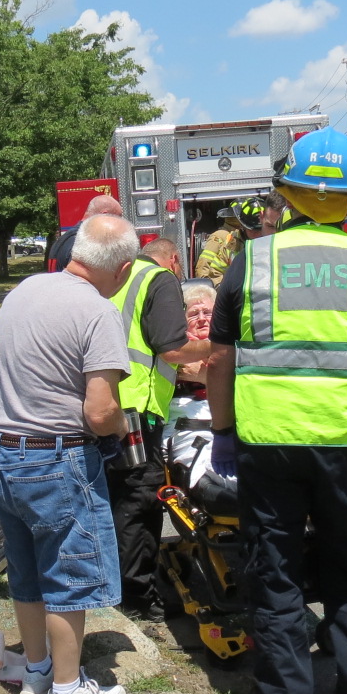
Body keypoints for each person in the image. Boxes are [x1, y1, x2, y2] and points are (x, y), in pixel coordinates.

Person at [206, 127, 347, 694]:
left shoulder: (254, 258)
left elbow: (219, 359)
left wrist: (223, 430)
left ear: (287, 192)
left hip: (268, 442)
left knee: (276, 567)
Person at [0, 213, 137, 694]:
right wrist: (117, 433)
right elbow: (99, 411)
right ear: (125, 268)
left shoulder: (26, 288)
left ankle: (38, 669)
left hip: (3, 453)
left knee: (25, 568)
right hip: (57, 457)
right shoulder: (99, 312)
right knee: (68, 574)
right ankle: (68, 693)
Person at [106, 235, 209, 623]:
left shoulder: (116, 278)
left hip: (110, 401)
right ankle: (137, 599)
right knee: (140, 503)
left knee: (119, 502)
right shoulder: (158, 280)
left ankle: (122, 587)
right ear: (175, 262)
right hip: (137, 410)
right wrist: (220, 346)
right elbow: (172, 348)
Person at [193, 193, 285, 284]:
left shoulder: (275, 241)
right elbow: (215, 273)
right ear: (242, 227)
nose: (258, 235)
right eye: (253, 231)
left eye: (261, 230)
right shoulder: (231, 243)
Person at [47, 193, 120, 273]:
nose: (119, 224)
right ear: (104, 216)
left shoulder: (65, 238)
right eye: (117, 218)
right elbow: (80, 279)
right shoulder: (84, 241)